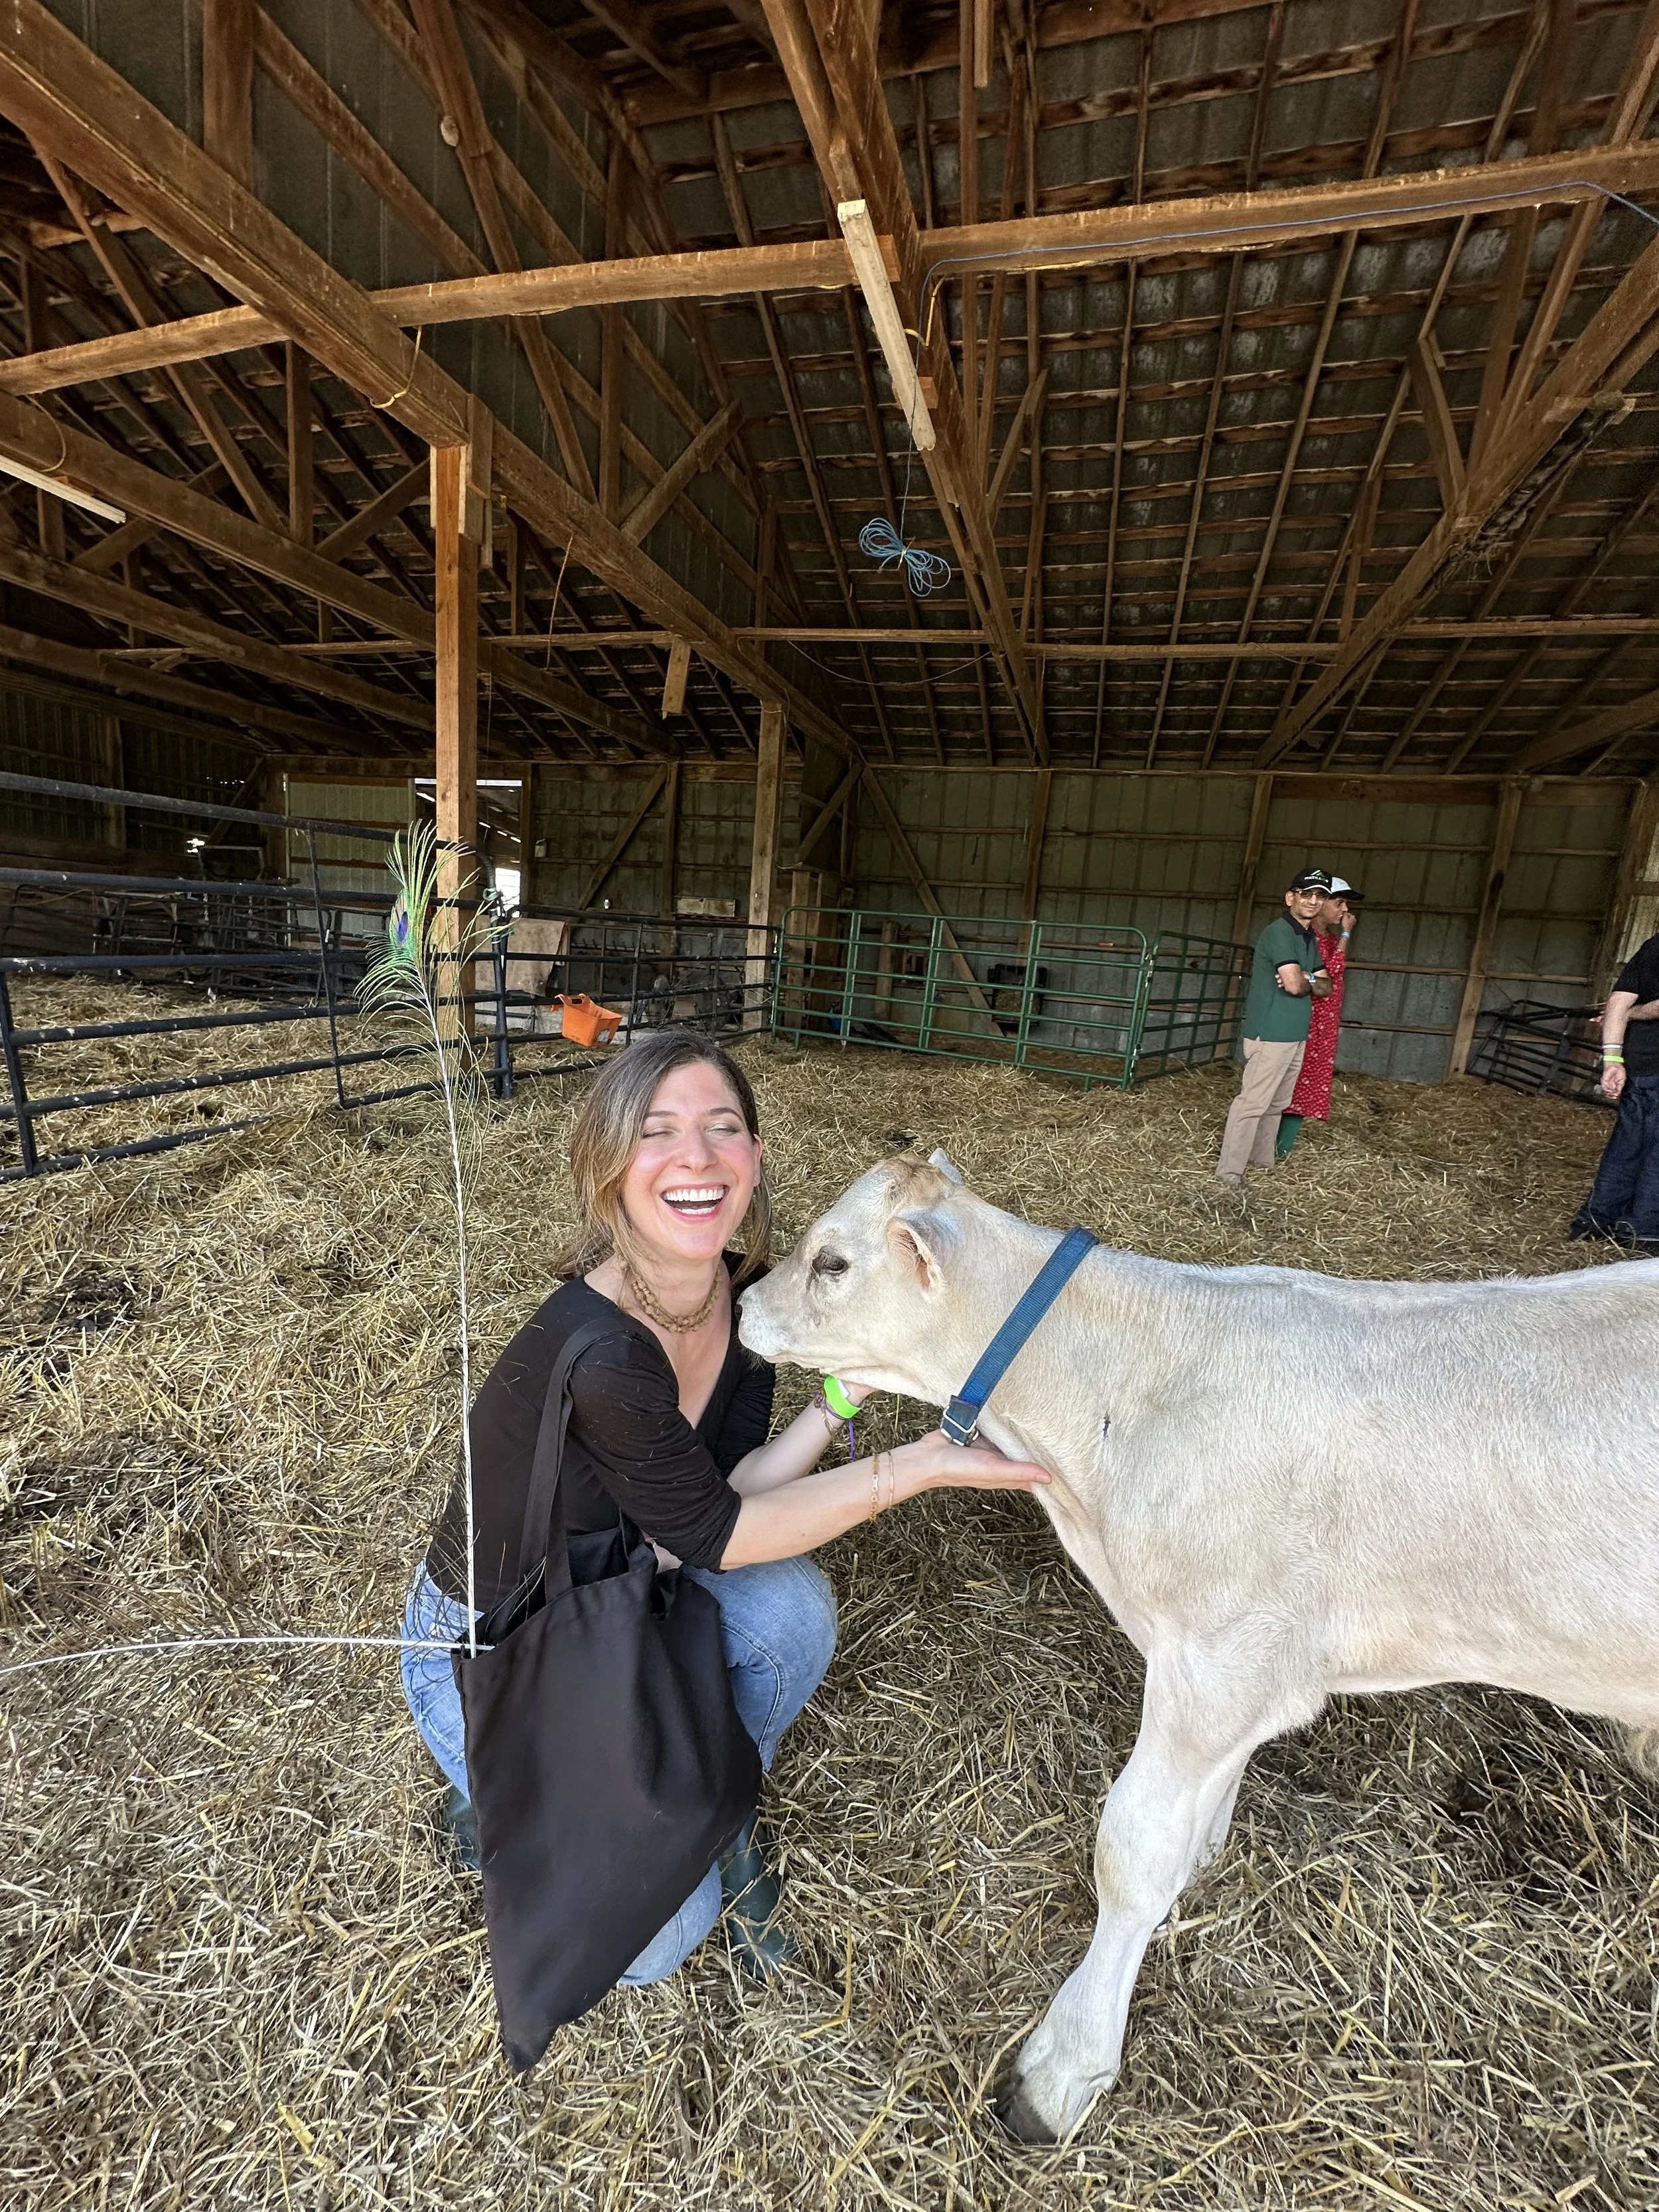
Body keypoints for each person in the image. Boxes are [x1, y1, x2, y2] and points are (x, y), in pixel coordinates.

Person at [399, 1027, 1049, 1987]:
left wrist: (842, 1395)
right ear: (609, 1166)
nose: (697, 1157)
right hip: (507, 1652)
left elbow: (724, 1489)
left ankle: (716, 1806)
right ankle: (489, 1796)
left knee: (794, 1616)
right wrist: (922, 1466)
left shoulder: (741, 1297)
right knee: (662, 1944)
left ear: (753, 1158)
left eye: (723, 1128)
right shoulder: (604, 1351)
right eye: (660, 1131)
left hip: (633, 1587)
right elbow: (721, 1534)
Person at [1215, 867, 1333, 1189]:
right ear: (1290, 897)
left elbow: (1327, 986)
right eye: (1306, 894)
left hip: (1294, 1034)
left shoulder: (1307, 937)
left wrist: (1307, 978)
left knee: (1276, 1104)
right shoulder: (1279, 933)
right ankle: (1229, 1174)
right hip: (1271, 1033)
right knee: (1252, 1103)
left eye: (1320, 896)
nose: (1312, 901)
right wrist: (1308, 980)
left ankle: (1261, 1162)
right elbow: (1294, 986)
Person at [1569, 931, 1659, 1252]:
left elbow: (1619, 1000)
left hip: (1640, 1063)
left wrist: (1612, 1059)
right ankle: (1647, 1231)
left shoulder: (1654, 946)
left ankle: (1597, 1220)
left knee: (1628, 1144)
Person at [1276, 875, 1363, 1159]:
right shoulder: (1305, 936)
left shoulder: (1330, 938)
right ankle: (1268, 1144)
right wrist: (1348, 937)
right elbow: (1329, 972)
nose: (1344, 910)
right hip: (1305, 1019)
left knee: (1309, 1083)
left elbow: (1326, 979)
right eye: (1339, 902)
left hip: (1324, 1024)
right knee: (1287, 1081)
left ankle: (1282, 1148)